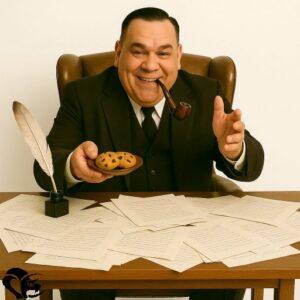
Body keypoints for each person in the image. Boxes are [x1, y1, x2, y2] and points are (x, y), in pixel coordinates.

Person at [34, 7, 264, 300]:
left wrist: (234, 149)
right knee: (79, 276)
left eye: (164, 53)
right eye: (138, 52)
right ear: (118, 52)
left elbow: (254, 164)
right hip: (103, 240)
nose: (150, 66)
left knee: (229, 272)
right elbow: (43, 167)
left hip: (192, 237)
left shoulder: (207, 95)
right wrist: (72, 166)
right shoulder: (83, 95)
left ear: (179, 55)